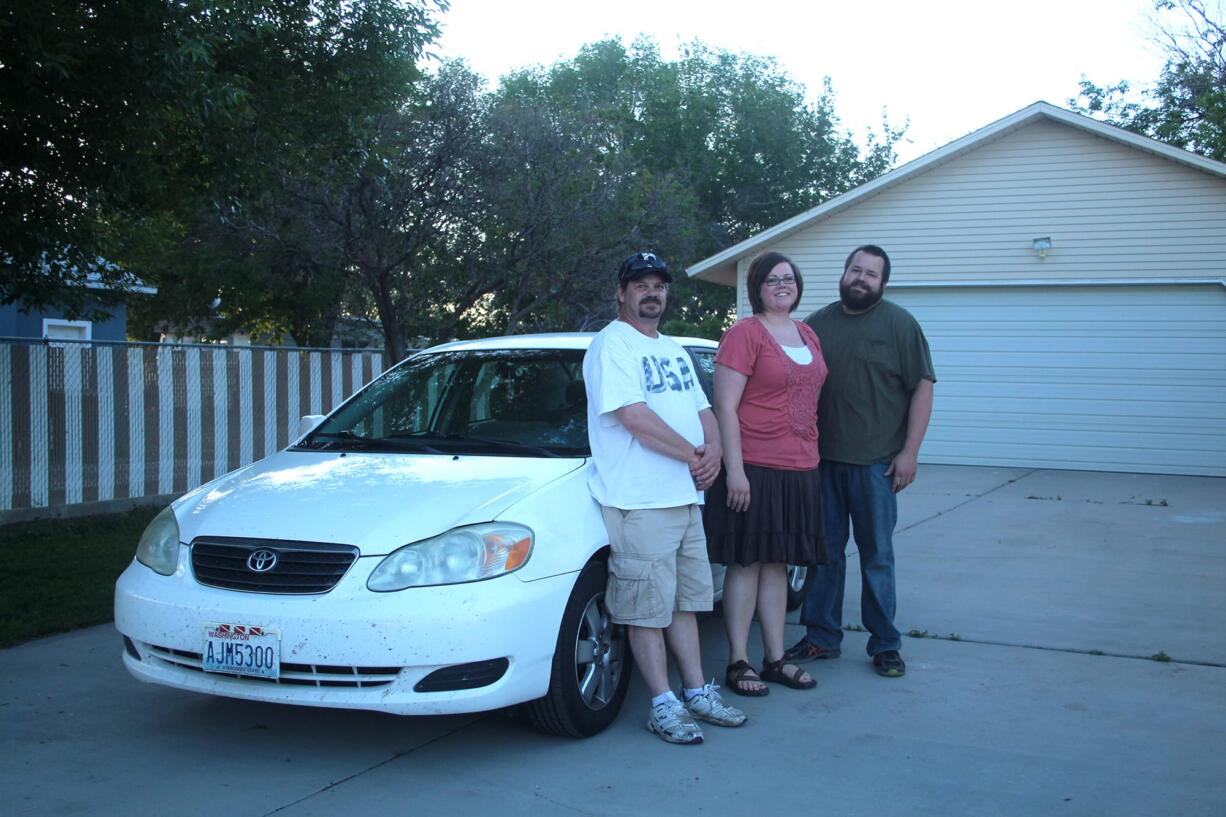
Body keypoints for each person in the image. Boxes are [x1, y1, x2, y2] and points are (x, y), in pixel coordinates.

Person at [584, 251, 747, 744]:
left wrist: (713, 451)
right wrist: (694, 457)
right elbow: (632, 415)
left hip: (683, 499)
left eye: (659, 285)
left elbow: (704, 409)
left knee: (684, 605)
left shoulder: (673, 349)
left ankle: (696, 691)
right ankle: (662, 703)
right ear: (621, 292)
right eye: (641, 285)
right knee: (644, 609)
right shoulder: (612, 346)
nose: (651, 292)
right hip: (640, 502)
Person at [785, 244, 935, 678]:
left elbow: (922, 388)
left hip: (877, 464)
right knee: (824, 555)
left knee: (877, 556)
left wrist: (910, 452)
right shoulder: (816, 325)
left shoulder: (900, 325)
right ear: (844, 273)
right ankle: (821, 636)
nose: (861, 279)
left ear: (882, 283)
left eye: (871, 274)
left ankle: (885, 643)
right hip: (822, 463)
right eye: (856, 270)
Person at [703, 251, 828, 697]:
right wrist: (734, 471)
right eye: (772, 279)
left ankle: (775, 659)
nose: (782, 285)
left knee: (778, 564)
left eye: (789, 278)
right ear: (757, 286)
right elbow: (726, 407)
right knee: (746, 563)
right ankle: (739, 661)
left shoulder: (808, 333)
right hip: (753, 467)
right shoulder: (744, 334)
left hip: (801, 469)